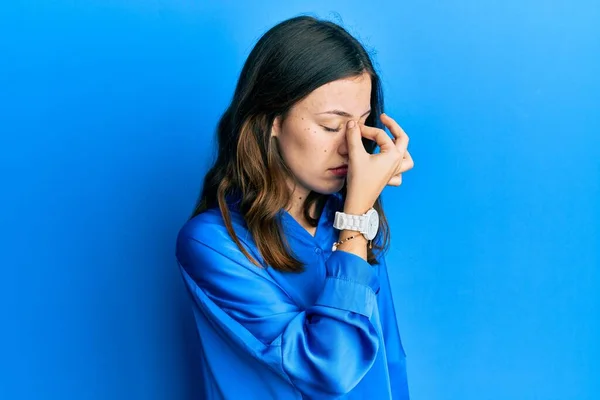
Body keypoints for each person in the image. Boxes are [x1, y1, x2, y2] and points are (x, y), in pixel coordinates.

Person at [175, 15, 414, 399]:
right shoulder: (212, 243)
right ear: (272, 121)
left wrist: (357, 216)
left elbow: (389, 365)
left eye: (361, 125)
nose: (350, 147)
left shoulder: (350, 217)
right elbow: (332, 369)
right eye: (331, 126)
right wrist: (356, 222)